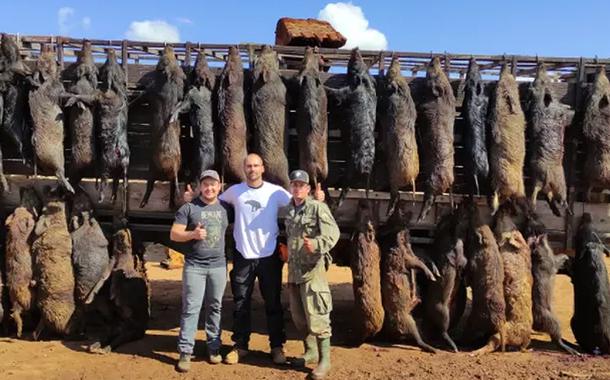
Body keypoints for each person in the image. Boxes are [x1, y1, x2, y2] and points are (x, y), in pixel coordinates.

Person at [183, 154, 324, 365]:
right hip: (243, 256)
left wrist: (316, 199)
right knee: (241, 304)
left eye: (256, 165)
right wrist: (192, 198)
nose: (252, 169)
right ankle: (240, 346)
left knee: (273, 304)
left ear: (263, 168)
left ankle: (277, 347)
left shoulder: (275, 192)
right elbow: (209, 200)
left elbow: (298, 201)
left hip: (269, 256)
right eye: (248, 166)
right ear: (244, 169)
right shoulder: (234, 192)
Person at [170, 170, 233, 372]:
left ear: (220, 186)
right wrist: (193, 234)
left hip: (218, 266)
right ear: (200, 187)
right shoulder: (189, 208)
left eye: (213, 184)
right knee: (191, 308)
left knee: (215, 307)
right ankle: (185, 352)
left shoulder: (226, 209)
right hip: (195, 266)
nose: (209, 188)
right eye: (205, 184)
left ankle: (213, 348)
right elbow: (174, 234)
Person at [281, 170, 339, 380]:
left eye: (301, 185)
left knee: (318, 316)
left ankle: (325, 360)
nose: (297, 188)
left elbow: (333, 233)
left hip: (313, 271)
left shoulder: (317, 208)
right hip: (294, 271)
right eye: (294, 184)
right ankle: (311, 351)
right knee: (299, 317)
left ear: (307, 189)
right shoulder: (289, 209)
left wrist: (316, 244)